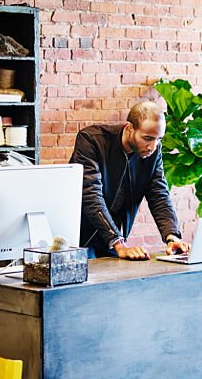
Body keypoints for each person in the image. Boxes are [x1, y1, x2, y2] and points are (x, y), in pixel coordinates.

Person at [69, 101, 191, 260]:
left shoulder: (152, 152)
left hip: (112, 239)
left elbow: (159, 194)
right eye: (147, 138)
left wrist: (172, 236)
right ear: (129, 128)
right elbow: (91, 195)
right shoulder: (92, 140)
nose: (153, 147)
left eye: (158, 139)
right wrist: (118, 243)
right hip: (78, 238)